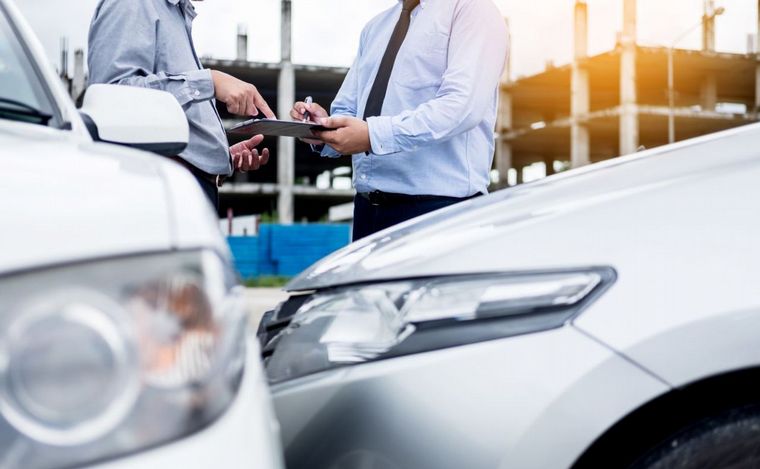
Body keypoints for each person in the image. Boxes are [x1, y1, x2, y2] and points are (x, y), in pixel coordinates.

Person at [291, 0, 508, 241]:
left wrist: (372, 136)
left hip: (440, 210)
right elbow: (350, 109)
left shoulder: (472, 9)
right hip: (368, 211)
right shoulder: (375, 28)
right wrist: (322, 126)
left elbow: (462, 106)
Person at [88, 0, 274, 207]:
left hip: (185, 188)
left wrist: (216, 157)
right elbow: (111, 98)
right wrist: (209, 82)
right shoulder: (132, 4)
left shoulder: (174, 15)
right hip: (161, 193)